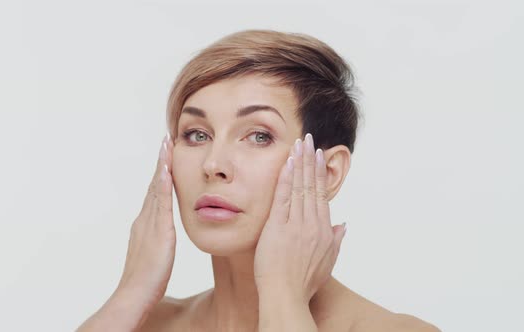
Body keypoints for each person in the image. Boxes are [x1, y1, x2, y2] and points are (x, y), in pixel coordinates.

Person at [77, 29, 441, 332]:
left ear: (328, 173)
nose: (213, 164)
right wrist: (132, 291)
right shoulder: (141, 323)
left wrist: (283, 298)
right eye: (197, 134)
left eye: (259, 136)